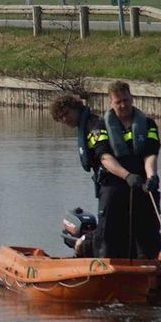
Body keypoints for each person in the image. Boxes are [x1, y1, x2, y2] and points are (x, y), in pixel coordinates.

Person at [89, 80, 161, 259]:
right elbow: (104, 157)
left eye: (126, 100)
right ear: (110, 102)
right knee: (110, 233)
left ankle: (147, 264)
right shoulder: (99, 128)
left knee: (148, 232)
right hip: (114, 183)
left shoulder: (148, 124)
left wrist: (151, 176)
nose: (123, 105)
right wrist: (127, 176)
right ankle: (108, 264)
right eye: (118, 101)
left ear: (132, 98)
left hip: (142, 184)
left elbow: (150, 153)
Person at [49, 93, 101, 256]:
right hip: (103, 182)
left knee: (110, 222)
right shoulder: (85, 126)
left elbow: (104, 154)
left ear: (76, 108)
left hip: (111, 183)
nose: (65, 119)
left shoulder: (94, 125)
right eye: (61, 117)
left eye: (66, 113)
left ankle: (85, 243)